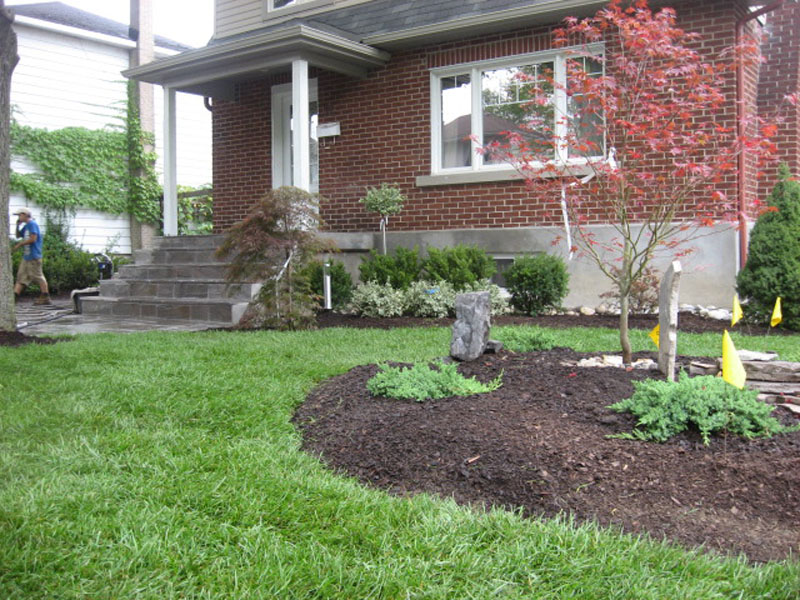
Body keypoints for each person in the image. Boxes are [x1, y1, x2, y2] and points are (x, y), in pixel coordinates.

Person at [12, 207, 51, 305]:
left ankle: (45, 296)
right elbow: (17, 235)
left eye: (20, 215)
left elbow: (33, 239)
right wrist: (17, 226)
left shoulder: (32, 224)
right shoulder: (26, 226)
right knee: (21, 277)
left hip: (34, 256)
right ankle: (13, 298)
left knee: (37, 276)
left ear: (25, 215)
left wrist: (20, 244)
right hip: (26, 256)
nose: (19, 217)